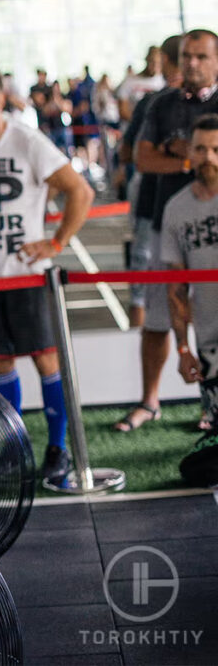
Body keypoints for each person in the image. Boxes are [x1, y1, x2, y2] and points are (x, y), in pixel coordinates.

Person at [0, 70, 94, 483]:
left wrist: (55, 243)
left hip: (27, 275)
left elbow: (80, 190)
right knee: (0, 362)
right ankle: (13, 450)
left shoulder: (26, 140)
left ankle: (58, 448)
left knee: (45, 358)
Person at [120, 28, 218, 433]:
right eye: (186, 56)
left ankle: (209, 404)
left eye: (200, 56)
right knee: (158, 317)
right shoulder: (160, 103)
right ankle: (150, 400)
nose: (191, 63)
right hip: (166, 222)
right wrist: (188, 165)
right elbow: (141, 158)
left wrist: (180, 153)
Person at [163, 115, 218, 470]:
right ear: (190, 154)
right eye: (201, 149)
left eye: (216, 149)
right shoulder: (177, 209)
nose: (209, 156)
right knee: (199, 468)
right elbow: (175, 289)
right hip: (211, 343)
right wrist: (183, 348)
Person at [118, 35, 182, 330]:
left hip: (166, 202)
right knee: (146, 272)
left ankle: (140, 330)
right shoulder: (151, 101)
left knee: (147, 272)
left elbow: (130, 152)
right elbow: (133, 153)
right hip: (152, 200)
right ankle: (139, 331)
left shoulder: (151, 101)